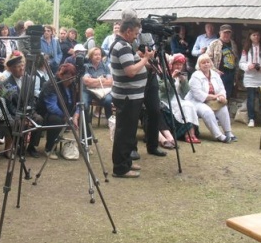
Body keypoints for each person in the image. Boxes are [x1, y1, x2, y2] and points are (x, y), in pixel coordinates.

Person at [109, 12, 155, 178]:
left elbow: (133, 64)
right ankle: (120, 168)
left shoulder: (126, 46)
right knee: (124, 132)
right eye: (135, 33)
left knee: (129, 132)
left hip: (131, 96)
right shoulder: (121, 46)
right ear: (128, 31)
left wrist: (142, 59)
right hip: (127, 97)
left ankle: (126, 161)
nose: (136, 37)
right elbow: (130, 71)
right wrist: (145, 60)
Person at [185, 54, 236, 143]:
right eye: (203, 63)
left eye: (208, 62)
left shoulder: (215, 74)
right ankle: (218, 135)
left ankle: (228, 132)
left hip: (212, 100)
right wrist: (214, 97)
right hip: (196, 101)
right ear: (199, 65)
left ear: (211, 64)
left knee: (223, 108)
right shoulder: (195, 76)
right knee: (207, 111)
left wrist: (222, 96)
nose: (206, 64)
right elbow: (198, 94)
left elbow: (221, 88)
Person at [2, 51, 44, 158]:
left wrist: (29, 113)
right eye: (17, 67)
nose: (21, 68)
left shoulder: (29, 79)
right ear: (11, 69)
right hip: (15, 112)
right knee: (19, 123)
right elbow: (9, 105)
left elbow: (31, 99)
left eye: (22, 65)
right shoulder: (6, 84)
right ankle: (19, 146)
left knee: (39, 119)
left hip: (28, 110)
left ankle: (32, 147)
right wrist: (21, 116)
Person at [37, 63, 80, 160]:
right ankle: (50, 148)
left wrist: (76, 116)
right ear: (61, 75)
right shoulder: (51, 85)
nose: (70, 80)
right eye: (68, 77)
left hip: (68, 111)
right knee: (55, 119)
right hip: (49, 113)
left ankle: (84, 145)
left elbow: (79, 102)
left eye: (72, 78)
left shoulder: (72, 84)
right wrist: (67, 117)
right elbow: (52, 106)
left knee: (85, 113)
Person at [159, 53, 200, 143]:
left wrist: (183, 81)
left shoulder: (183, 74)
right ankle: (186, 134)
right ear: (172, 64)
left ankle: (191, 134)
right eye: (176, 64)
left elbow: (186, 92)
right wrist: (172, 77)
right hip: (167, 99)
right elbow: (163, 88)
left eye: (181, 64)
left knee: (190, 105)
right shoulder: (165, 73)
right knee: (185, 106)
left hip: (178, 98)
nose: (179, 66)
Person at [206, 24, 239, 98]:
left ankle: (226, 109)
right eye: (225, 33)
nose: (226, 35)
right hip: (219, 74)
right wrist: (215, 70)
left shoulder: (233, 44)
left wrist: (236, 74)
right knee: (218, 95)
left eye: (228, 33)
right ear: (220, 33)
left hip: (231, 74)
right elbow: (207, 59)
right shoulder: (214, 44)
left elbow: (236, 59)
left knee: (228, 95)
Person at [83, 47, 114, 121]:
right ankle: (86, 124)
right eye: (95, 55)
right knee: (84, 105)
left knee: (108, 100)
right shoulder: (86, 66)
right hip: (88, 91)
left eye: (99, 54)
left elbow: (110, 82)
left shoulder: (105, 66)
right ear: (91, 56)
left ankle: (110, 121)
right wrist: (101, 80)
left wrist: (93, 81)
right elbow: (87, 82)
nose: (98, 56)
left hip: (102, 91)